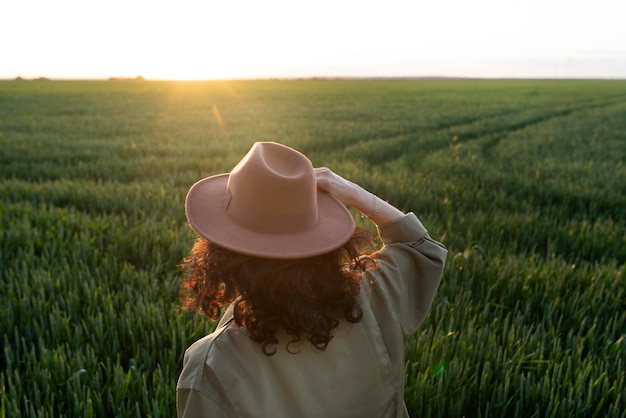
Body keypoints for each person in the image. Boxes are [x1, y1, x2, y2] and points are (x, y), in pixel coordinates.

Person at [176, 142, 447, 418]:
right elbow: (419, 246)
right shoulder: (372, 291)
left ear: (221, 253)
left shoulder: (212, 366)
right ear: (321, 242)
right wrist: (351, 191)